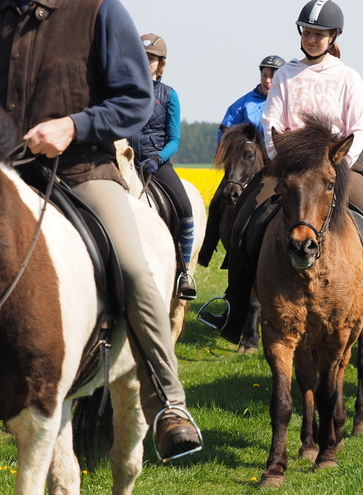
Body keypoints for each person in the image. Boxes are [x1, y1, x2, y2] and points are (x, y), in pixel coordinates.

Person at [0, 0, 202, 461]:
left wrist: (74, 125)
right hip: (9, 172)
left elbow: (134, 101)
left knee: (133, 267)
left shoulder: (101, 11)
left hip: (81, 170)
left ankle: (168, 402)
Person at [198, 0, 363, 347]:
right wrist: (280, 161)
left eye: (319, 33)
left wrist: (338, 163)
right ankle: (234, 307)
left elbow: (357, 127)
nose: (312, 38)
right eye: (307, 32)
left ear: (333, 37)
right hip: (289, 168)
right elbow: (272, 122)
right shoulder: (285, 73)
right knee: (241, 222)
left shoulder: (347, 77)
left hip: (336, 167)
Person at [129, 33, 196, 300]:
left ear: (161, 62)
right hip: (124, 160)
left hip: (155, 163)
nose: (146, 63)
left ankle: (183, 272)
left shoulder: (169, 95)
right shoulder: (122, 91)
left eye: (152, 59)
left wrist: (157, 159)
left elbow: (174, 139)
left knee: (186, 208)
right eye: (142, 57)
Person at [217, 55, 286, 144]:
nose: (267, 80)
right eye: (264, 75)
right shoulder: (243, 103)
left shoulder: (290, 103)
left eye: (272, 76)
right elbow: (225, 131)